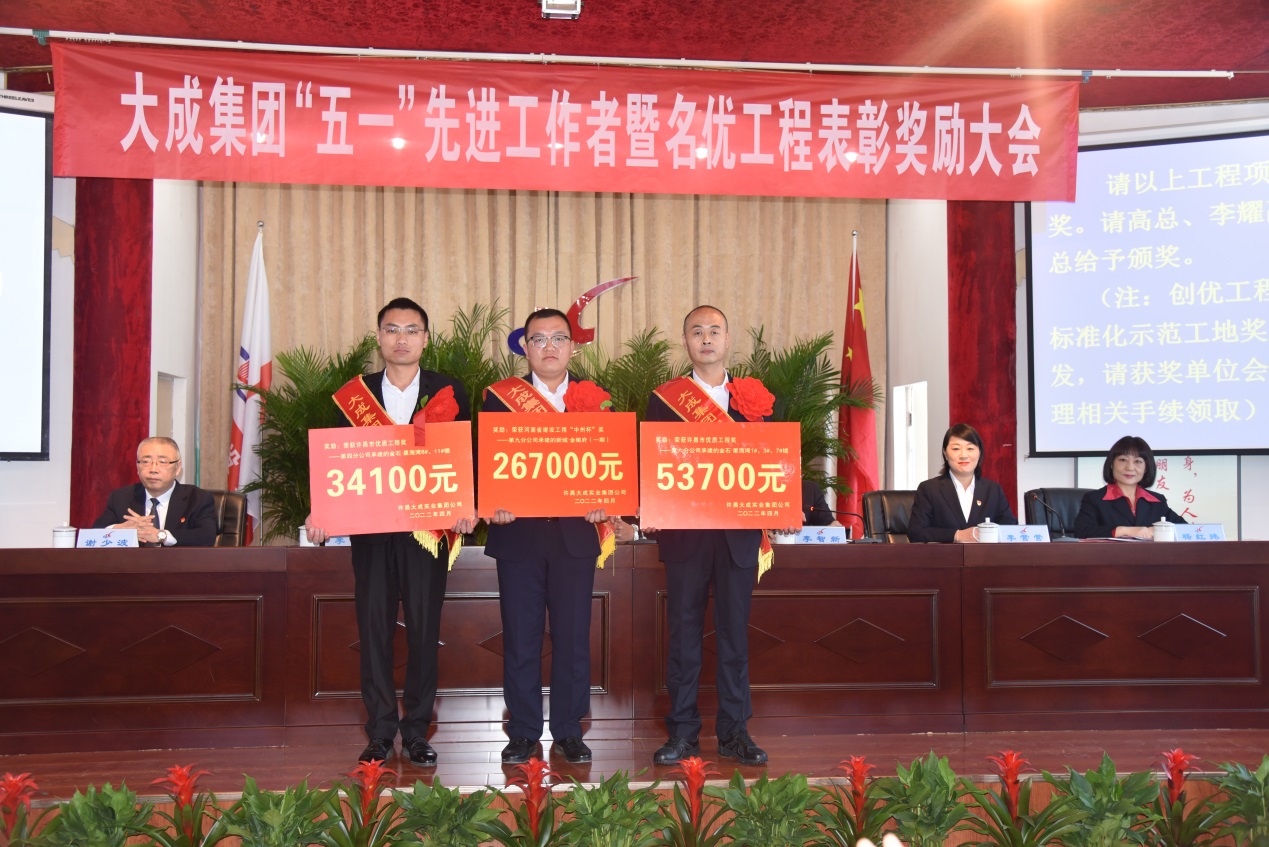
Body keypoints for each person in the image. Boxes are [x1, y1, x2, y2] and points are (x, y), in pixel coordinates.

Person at [305, 297, 473, 767]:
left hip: (428, 531)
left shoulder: (449, 390)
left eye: (411, 330)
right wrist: (322, 512)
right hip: (373, 532)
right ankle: (380, 731)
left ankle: (417, 731)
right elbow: (338, 463)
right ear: (378, 337)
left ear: (425, 338)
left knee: (423, 631)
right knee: (374, 629)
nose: (402, 339)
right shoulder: (354, 395)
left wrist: (465, 506)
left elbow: (463, 452)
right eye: (393, 329)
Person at [643, 304, 793, 767]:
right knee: (683, 639)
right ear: (685, 341)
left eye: (714, 331)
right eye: (697, 331)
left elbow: (773, 463)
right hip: (685, 537)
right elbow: (652, 461)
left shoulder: (756, 398)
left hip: (738, 537)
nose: (706, 339)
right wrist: (649, 504)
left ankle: (734, 733)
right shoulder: (665, 400)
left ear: (728, 340)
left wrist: (784, 506)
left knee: (733, 638)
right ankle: (682, 734)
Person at [481, 307, 618, 765]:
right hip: (517, 536)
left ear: (573, 347)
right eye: (538, 339)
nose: (549, 347)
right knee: (521, 638)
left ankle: (568, 731)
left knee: (573, 638)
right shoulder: (499, 398)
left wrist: (604, 501)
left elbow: (609, 464)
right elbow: (486, 461)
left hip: (574, 536)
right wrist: (492, 502)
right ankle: (522, 732)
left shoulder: (596, 399)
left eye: (559, 338)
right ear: (525, 347)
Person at [93, 437, 217, 547]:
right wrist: (119, 530)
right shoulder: (121, 497)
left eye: (162, 462)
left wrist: (160, 535)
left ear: (178, 467)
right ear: (137, 467)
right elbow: (93, 535)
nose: (153, 469)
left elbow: (206, 536)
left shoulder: (198, 498)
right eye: (146, 462)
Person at [908, 423, 1017, 543]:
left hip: (984, 555)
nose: (963, 455)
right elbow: (916, 532)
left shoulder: (993, 490)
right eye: (956, 449)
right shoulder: (929, 489)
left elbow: (1010, 529)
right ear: (945, 453)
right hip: (945, 555)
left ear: (979, 452)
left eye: (970, 448)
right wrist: (957, 535)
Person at [1074, 435, 1187, 539]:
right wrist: (1125, 530)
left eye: (1138, 461)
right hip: (1111, 555)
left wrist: (1161, 530)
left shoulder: (1157, 501)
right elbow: (1082, 531)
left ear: (1146, 468)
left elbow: (1185, 529)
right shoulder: (1094, 499)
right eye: (1123, 460)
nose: (1130, 467)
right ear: (1112, 464)